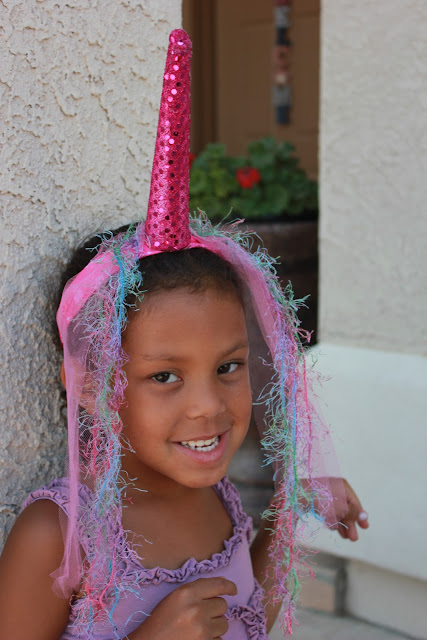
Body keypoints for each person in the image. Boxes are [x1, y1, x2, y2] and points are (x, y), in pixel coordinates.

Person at [0, 30, 369, 640]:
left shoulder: (214, 494)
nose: (208, 406)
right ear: (90, 382)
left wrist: (285, 515)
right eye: (165, 375)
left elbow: (244, 617)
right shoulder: (59, 535)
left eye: (228, 366)